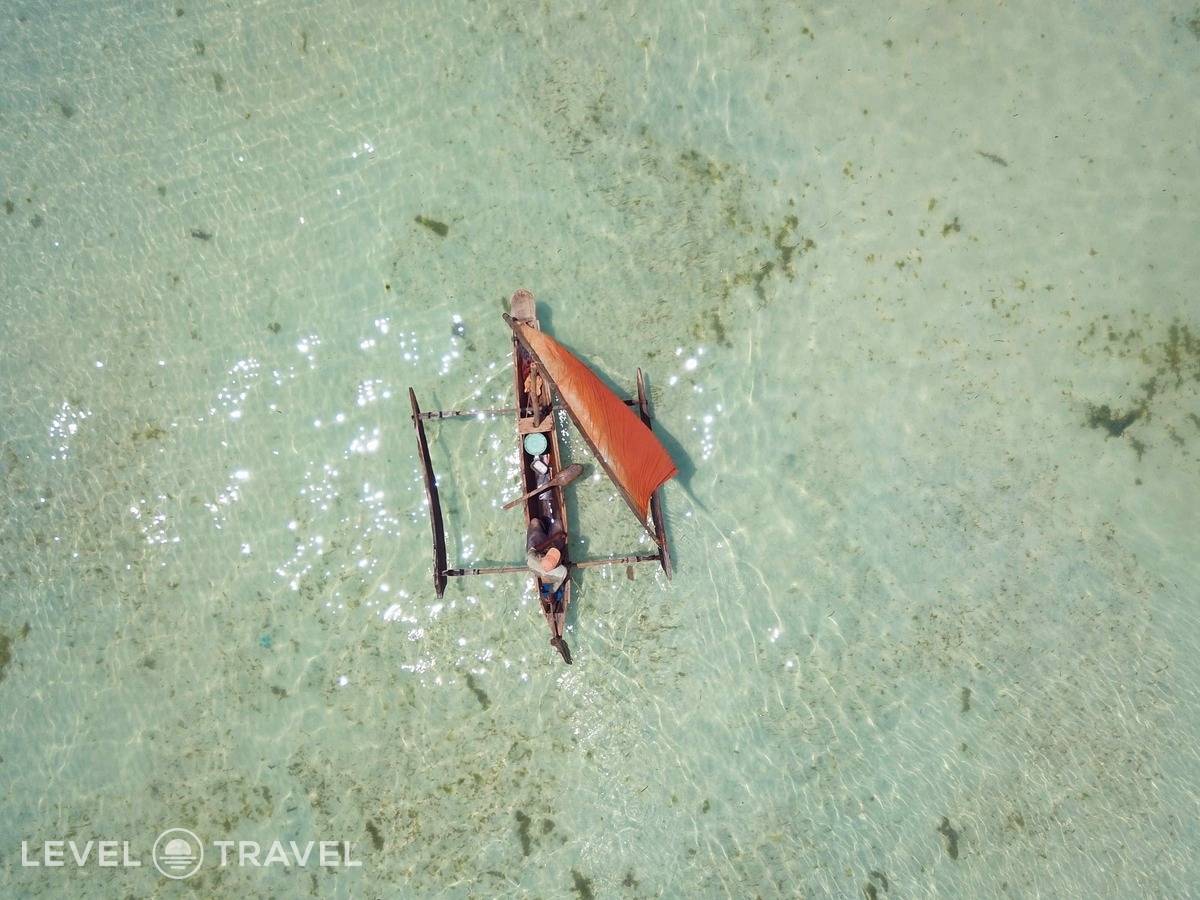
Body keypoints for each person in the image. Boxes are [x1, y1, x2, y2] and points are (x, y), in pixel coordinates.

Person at [526, 518, 567, 591]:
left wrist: (554, 538)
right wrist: (556, 540)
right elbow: (553, 589)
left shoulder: (531, 559)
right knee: (558, 522)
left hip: (539, 552)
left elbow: (535, 548)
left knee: (534, 522)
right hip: (547, 550)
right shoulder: (562, 571)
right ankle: (546, 528)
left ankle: (543, 526)